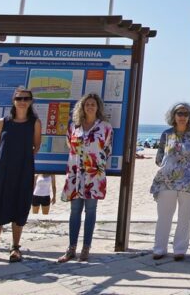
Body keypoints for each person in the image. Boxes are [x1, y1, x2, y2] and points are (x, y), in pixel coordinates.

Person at [0, 87, 42, 265]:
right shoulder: (3, 122)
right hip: (2, 171)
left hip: (23, 170)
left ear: (31, 101)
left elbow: (36, 146)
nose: (23, 101)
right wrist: (1, 162)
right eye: (19, 98)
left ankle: (15, 247)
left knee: (19, 206)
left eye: (26, 98)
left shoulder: (35, 123)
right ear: (14, 101)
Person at [58, 93, 113, 263]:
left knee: (90, 211)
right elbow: (70, 146)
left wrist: (94, 162)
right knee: (74, 211)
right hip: (75, 175)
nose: (90, 107)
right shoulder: (74, 127)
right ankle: (71, 248)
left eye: (93, 104)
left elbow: (107, 149)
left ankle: (86, 247)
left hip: (94, 175)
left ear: (98, 108)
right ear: (82, 107)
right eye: (87, 104)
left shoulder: (105, 127)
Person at [150, 102, 190, 260]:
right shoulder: (166, 134)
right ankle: (159, 248)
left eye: (185, 114)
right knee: (164, 216)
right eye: (179, 113)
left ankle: (180, 249)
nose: (182, 117)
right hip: (166, 181)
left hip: (189, 182)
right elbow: (159, 157)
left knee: (185, 217)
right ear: (173, 116)